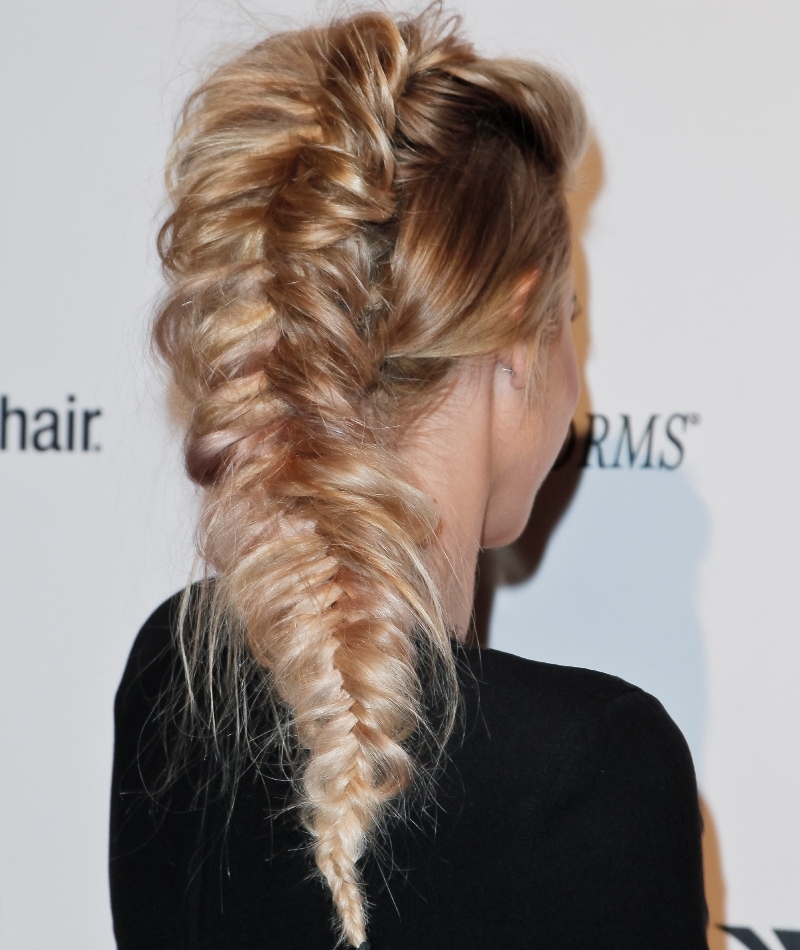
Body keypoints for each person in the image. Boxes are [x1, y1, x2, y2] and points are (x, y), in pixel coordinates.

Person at [109, 6, 709, 948]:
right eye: (569, 320)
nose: (576, 389)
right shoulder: (593, 771)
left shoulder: (171, 680)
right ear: (516, 339)